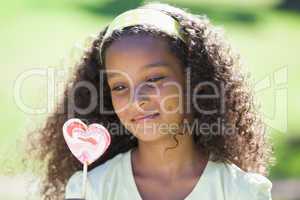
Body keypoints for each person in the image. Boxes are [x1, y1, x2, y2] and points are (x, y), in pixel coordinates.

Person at [26, 2, 273, 200]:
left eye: (154, 79)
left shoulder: (240, 191)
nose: (137, 100)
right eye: (120, 86)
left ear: (194, 81)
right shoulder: (92, 188)